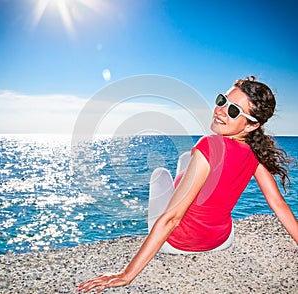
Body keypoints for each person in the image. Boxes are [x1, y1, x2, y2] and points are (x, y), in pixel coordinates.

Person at [77, 76, 298, 293]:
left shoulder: (210, 144)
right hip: (221, 240)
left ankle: (178, 185)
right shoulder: (254, 155)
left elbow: (172, 219)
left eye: (233, 111)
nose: (220, 111)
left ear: (251, 126)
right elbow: (278, 204)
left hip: (178, 244)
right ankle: (186, 184)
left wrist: (127, 275)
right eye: (222, 101)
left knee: (161, 173)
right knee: (188, 160)